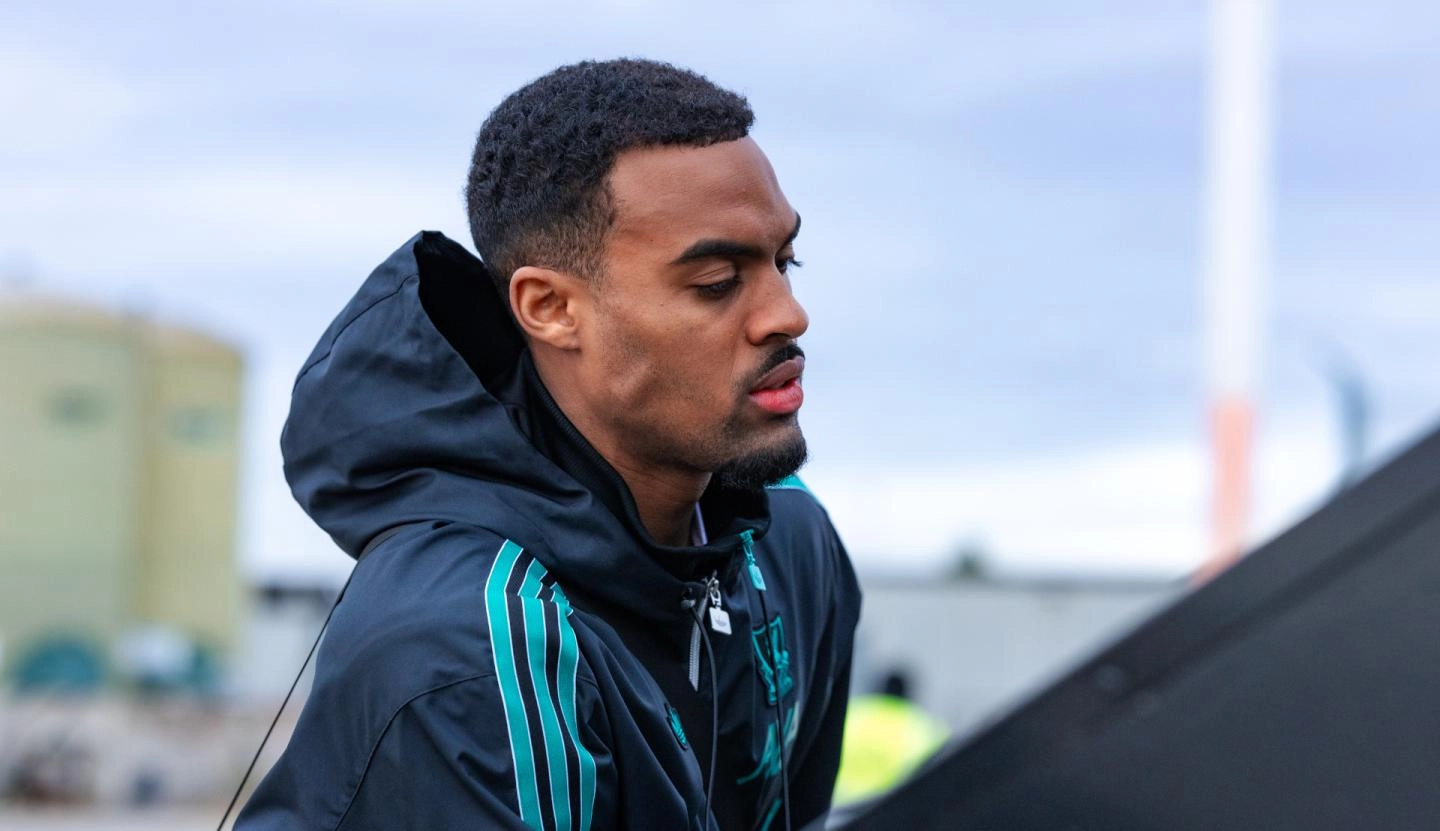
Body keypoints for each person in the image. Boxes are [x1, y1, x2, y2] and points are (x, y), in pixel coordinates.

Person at [235, 59, 861, 831]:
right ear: (552, 308)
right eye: (716, 282)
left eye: (785, 260)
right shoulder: (468, 648)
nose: (787, 314)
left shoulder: (793, 544)